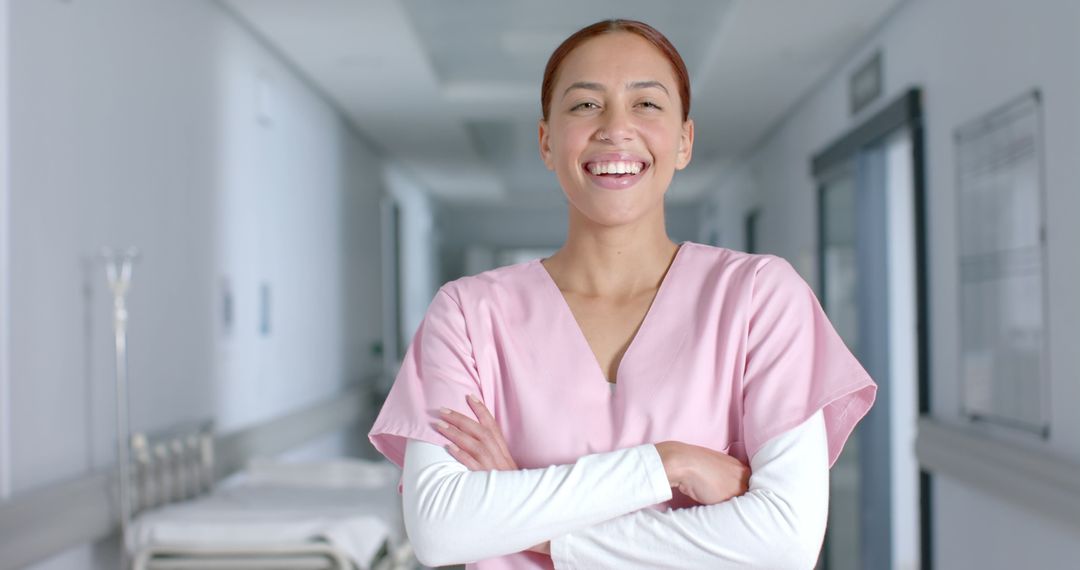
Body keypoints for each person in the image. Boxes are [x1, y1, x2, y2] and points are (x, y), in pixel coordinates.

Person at [368, 19, 877, 569]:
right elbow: (442, 529)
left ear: (684, 141)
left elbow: (785, 541)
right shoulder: (468, 314)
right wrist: (667, 464)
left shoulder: (759, 298)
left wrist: (529, 519)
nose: (615, 128)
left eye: (647, 105)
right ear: (546, 141)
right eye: (585, 105)